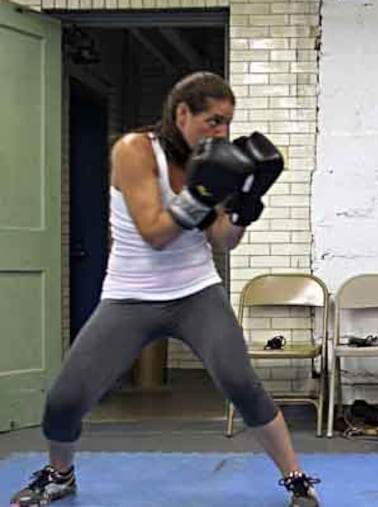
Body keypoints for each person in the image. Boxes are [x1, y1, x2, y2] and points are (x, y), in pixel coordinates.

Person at [10, 72, 320, 507]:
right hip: (130, 295)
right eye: (212, 120)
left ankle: (298, 481)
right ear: (181, 114)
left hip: (196, 292)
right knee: (65, 399)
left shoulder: (213, 161)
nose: (222, 132)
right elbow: (155, 232)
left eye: (228, 121)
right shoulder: (135, 150)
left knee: (241, 382)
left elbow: (222, 240)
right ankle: (60, 475)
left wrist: (247, 205)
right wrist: (203, 192)